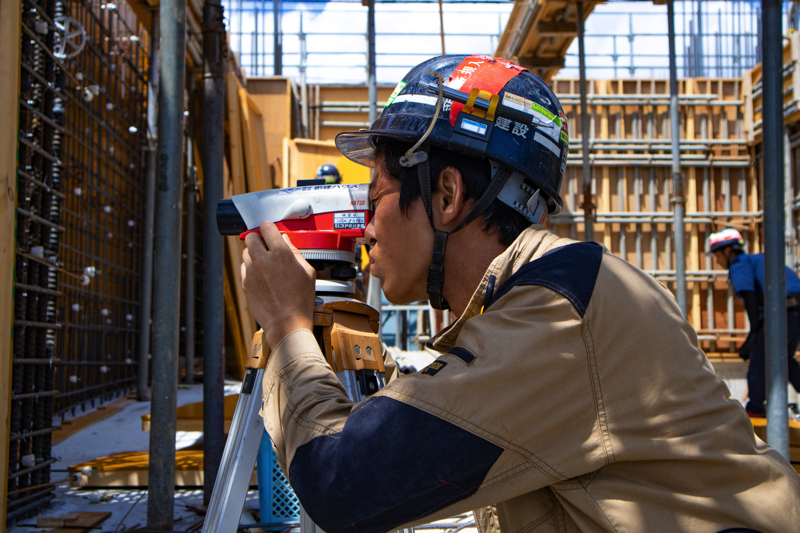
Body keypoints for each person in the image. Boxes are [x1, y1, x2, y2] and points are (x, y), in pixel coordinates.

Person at [242, 55, 800, 533]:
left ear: (446, 194)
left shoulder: (560, 313)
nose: (364, 226)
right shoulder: (550, 297)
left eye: (378, 194)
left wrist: (289, 326)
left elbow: (345, 484)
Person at [708, 227, 800, 417]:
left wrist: (754, 334)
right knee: (785, 359)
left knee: (759, 357)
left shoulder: (739, 264)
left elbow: (750, 297)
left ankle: (755, 410)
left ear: (728, 251)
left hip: (787, 310)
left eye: (717, 255)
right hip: (793, 310)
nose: (716, 260)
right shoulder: (756, 261)